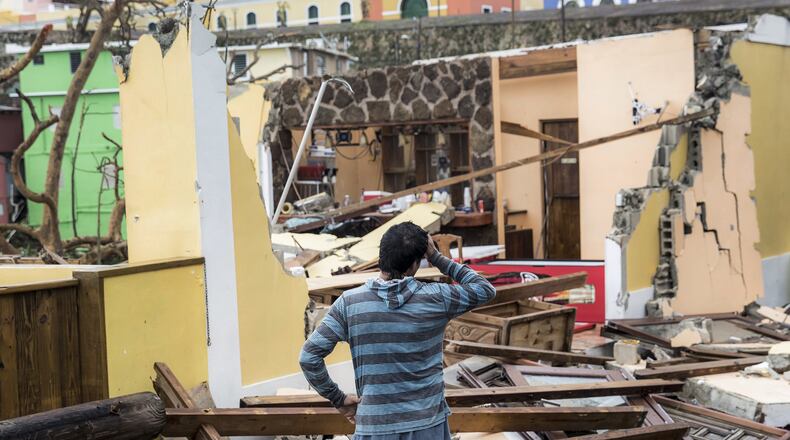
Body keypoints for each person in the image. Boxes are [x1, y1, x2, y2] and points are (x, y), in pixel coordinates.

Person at [299, 221, 496, 439]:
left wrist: (338, 398)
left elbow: (309, 357)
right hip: (426, 425)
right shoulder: (437, 297)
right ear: (414, 265)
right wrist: (436, 257)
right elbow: (484, 289)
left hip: (374, 428)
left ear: (382, 256)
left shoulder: (350, 304)